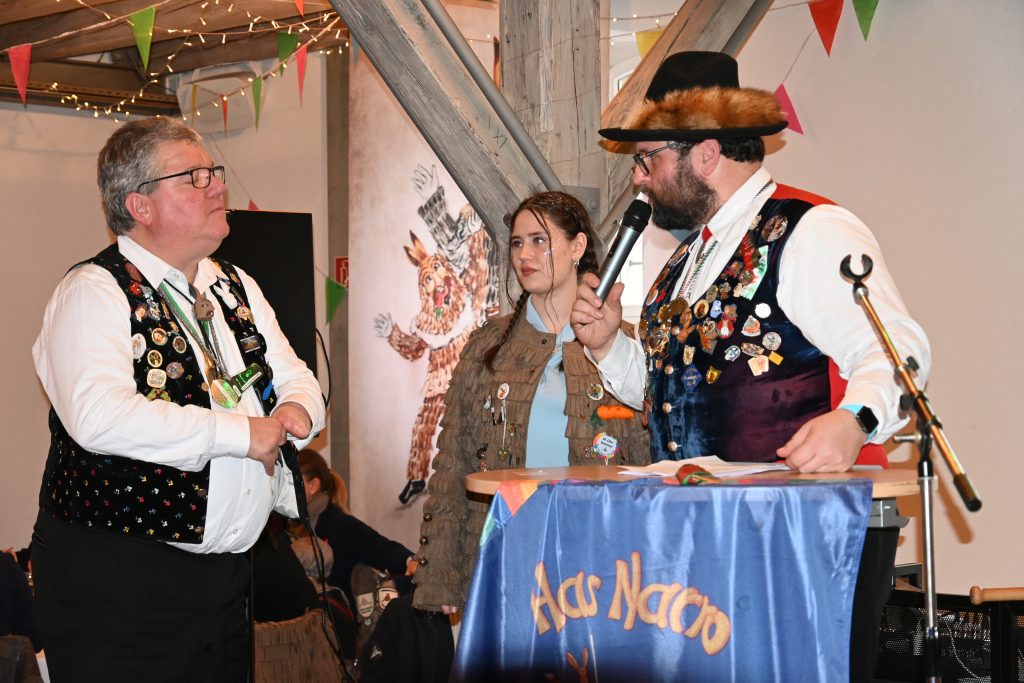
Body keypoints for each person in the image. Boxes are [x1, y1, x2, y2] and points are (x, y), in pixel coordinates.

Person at [571, 52, 931, 683]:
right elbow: (676, 394)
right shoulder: (686, 262)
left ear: (706, 153)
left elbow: (899, 351)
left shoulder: (810, 230)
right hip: (701, 537)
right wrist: (608, 347)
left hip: (800, 534)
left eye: (648, 159)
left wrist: (855, 420)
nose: (638, 180)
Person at [31, 116, 326, 682]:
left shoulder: (233, 284)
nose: (218, 186)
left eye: (213, 172)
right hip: (120, 580)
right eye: (194, 177)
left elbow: (295, 374)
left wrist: (296, 412)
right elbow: (99, 417)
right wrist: (241, 433)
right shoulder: (92, 291)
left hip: (228, 577)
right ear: (139, 205)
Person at [412, 191, 650, 615]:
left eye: (540, 240)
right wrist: (440, 574)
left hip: (603, 560)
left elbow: (651, 459)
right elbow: (453, 462)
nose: (525, 254)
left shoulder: (623, 346)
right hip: (509, 553)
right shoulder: (488, 345)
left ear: (577, 247)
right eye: (518, 243)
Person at [298, 450, 417, 611]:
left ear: (313, 486)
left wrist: (411, 561)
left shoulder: (341, 526)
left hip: (336, 621)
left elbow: (381, 548)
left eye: (290, 483)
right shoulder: (287, 525)